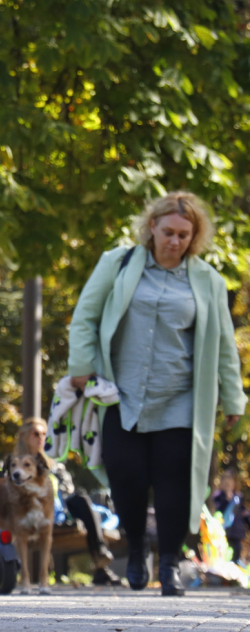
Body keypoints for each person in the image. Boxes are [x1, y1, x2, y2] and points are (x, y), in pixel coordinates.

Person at [67, 191, 246, 597]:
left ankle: (168, 565)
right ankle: (136, 548)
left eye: (184, 234)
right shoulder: (118, 264)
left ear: (194, 237)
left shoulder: (208, 280)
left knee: (174, 484)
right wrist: (81, 367)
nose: (175, 241)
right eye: (168, 232)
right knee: (126, 477)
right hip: (120, 395)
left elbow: (223, 345)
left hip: (180, 399)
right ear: (152, 227)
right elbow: (85, 317)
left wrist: (233, 398)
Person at [17, 418, 121, 585]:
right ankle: (101, 567)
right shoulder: (17, 464)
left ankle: (100, 555)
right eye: (35, 434)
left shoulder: (53, 463)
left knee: (82, 499)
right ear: (24, 437)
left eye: (44, 434)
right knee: (88, 511)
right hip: (35, 509)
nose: (41, 438)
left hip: (61, 507)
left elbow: (67, 488)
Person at [211, 470, 249, 565]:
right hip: (223, 534)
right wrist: (227, 499)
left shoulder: (238, 497)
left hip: (236, 533)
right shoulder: (218, 496)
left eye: (230, 481)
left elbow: (243, 512)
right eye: (225, 481)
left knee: (236, 556)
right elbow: (218, 511)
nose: (228, 483)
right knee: (224, 557)